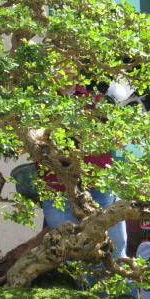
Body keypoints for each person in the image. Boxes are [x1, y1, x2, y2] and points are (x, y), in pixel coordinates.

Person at [41, 83, 127, 260]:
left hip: (97, 184)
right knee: (70, 249)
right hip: (57, 187)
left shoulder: (95, 100)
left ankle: (117, 286)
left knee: (115, 243)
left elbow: (119, 138)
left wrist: (103, 135)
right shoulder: (37, 102)